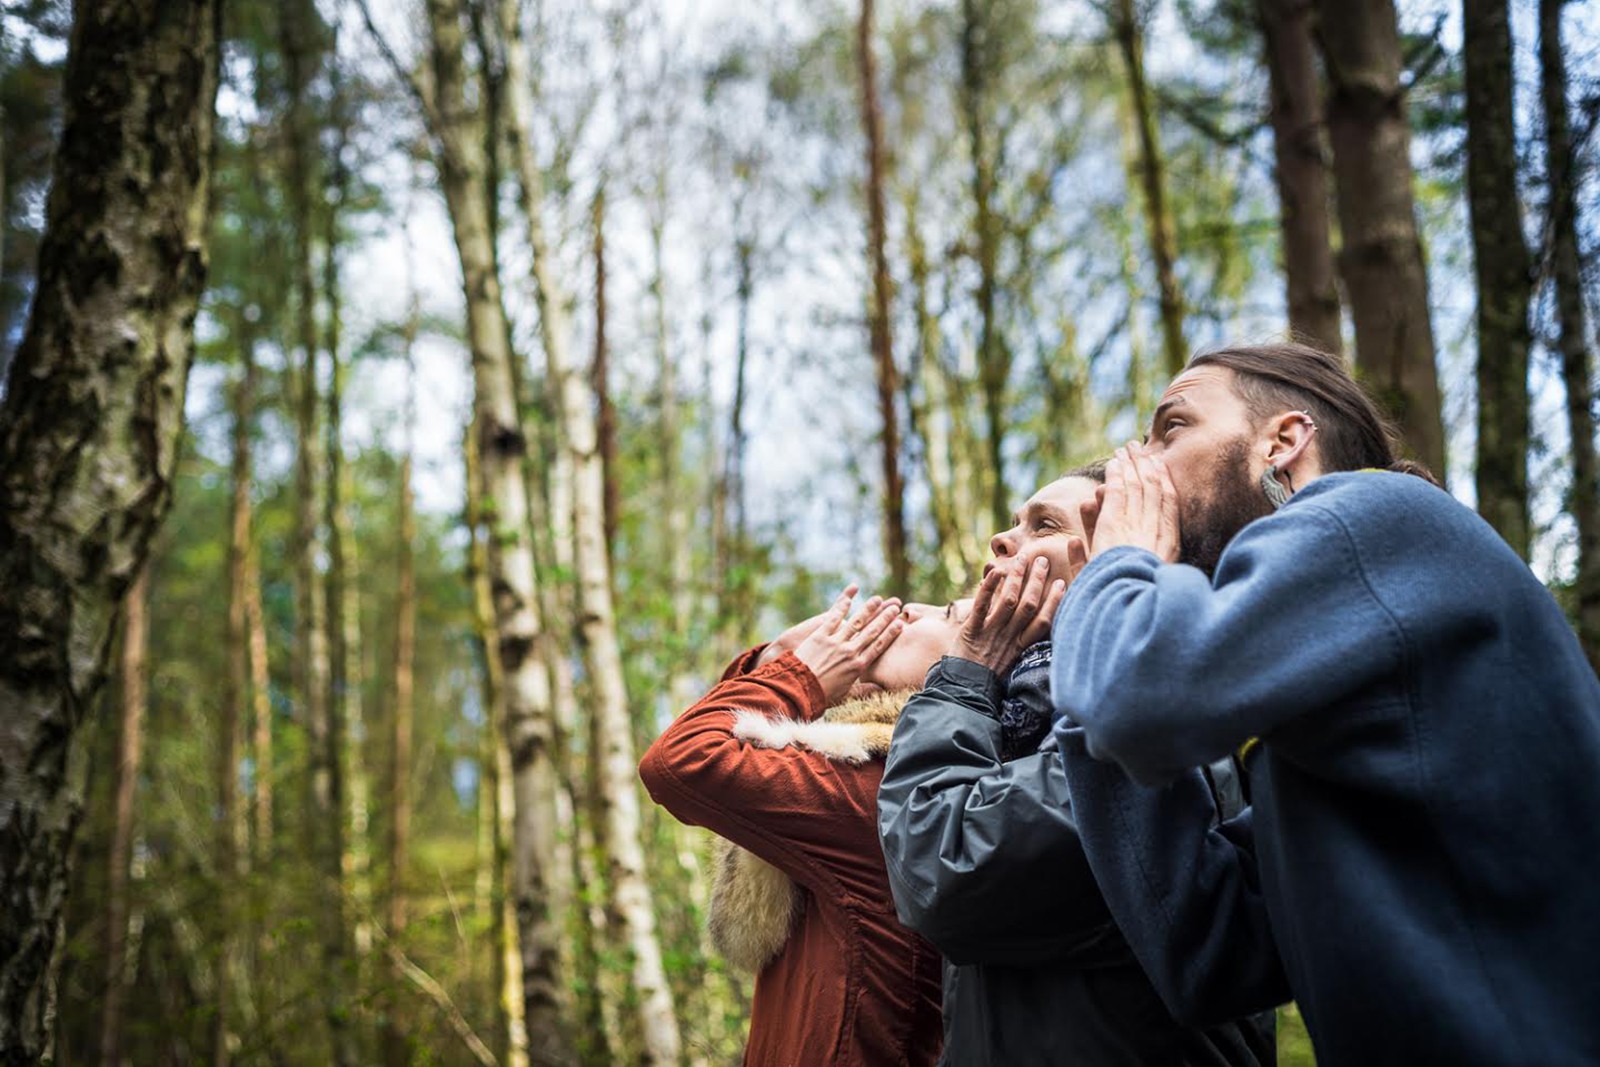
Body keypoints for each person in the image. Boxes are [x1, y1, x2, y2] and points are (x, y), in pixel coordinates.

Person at [1049, 342, 1600, 1065]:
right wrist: (1086, 687)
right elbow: (1210, 952)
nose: (1132, 469)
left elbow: (1142, 695)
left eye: (1170, 427)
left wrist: (1123, 570)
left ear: (1283, 441)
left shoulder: (1374, 515)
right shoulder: (1328, 680)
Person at [877, 465, 1275, 1066]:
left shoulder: (1155, 728)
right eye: (1013, 523)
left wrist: (965, 675)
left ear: (1119, 562)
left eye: (1045, 525)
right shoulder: (1019, 720)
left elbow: (941, 868)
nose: (1002, 540)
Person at [639, 585, 960, 1066]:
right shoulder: (864, 768)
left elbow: (682, 761)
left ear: (972, 665)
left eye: (950, 613)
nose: (913, 608)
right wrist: (774, 662)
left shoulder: (884, 787)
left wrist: (799, 675)